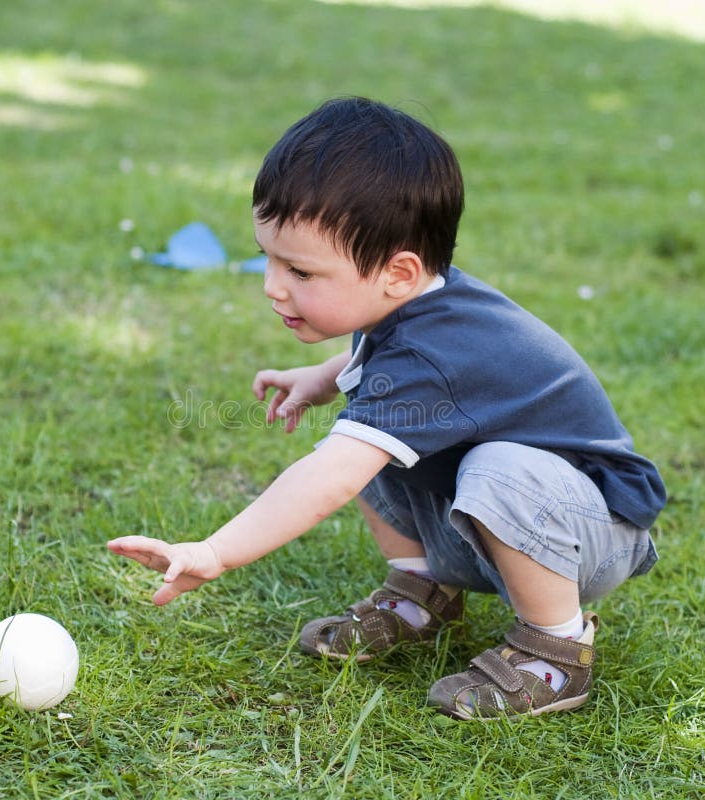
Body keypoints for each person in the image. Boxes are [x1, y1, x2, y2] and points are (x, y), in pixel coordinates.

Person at [108, 97, 666, 719]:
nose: (271, 284)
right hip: (517, 524)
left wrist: (215, 552)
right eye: (268, 257)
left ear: (398, 272)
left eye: (298, 269)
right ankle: (422, 591)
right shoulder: (403, 301)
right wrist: (324, 378)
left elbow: (328, 479)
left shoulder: (437, 352)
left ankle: (557, 651)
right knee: (372, 426)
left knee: (385, 456)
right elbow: (379, 362)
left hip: (589, 531)